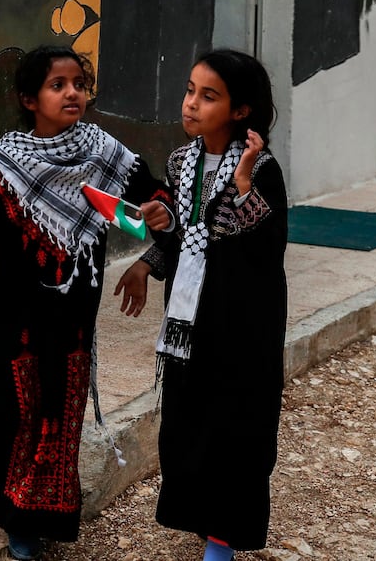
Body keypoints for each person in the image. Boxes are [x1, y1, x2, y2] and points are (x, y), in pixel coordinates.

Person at [0, 46, 172, 561]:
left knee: (56, 419)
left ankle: (28, 522)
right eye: (57, 85)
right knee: (13, 413)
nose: (72, 93)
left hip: (72, 318)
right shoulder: (3, 163)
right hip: (14, 318)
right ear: (29, 99)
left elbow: (155, 196)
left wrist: (155, 223)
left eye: (79, 84)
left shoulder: (105, 153)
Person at [114, 48, 288, 561]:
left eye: (208, 96)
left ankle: (223, 538)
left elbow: (263, 248)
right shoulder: (180, 161)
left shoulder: (263, 169)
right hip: (189, 321)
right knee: (188, 421)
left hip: (242, 324)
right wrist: (148, 260)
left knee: (236, 427)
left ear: (240, 110)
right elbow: (184, 234)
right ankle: (203, 518)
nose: (191, 103)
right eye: (190, 90)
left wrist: (243, 186)